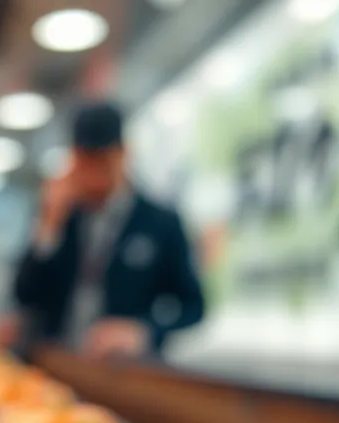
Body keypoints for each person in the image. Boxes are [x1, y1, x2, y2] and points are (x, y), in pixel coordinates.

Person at [12, 101, 205, 358]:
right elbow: (23, 295)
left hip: (126, 373)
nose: (92, 174)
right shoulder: (60, 217)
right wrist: (48, 229)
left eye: (101, 161)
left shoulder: (160, 222)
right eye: (84, 162)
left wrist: (144, 330)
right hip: (60, 363)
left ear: (123, 154)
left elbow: (193, 306)